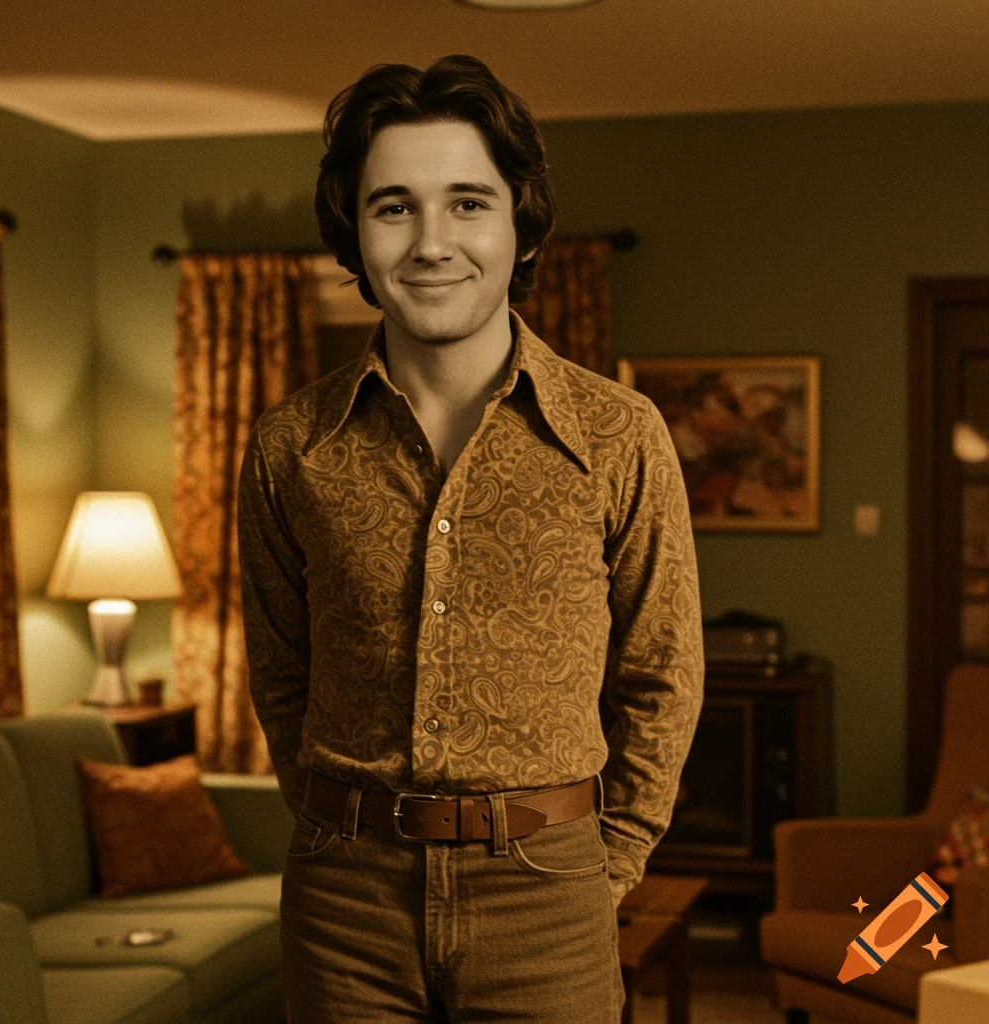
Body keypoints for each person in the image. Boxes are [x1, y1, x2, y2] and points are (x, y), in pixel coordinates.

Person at [237, 53, 705, 1024]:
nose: (431, 241)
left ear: (517, 221)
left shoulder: (620, 435)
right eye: (394, 206)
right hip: (342, 902)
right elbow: (282, 675)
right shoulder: (289, 446)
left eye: (467, 202)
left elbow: (663, 674)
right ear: (354, 234)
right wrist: (341, 831)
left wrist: (606, 861)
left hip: (549, 896)